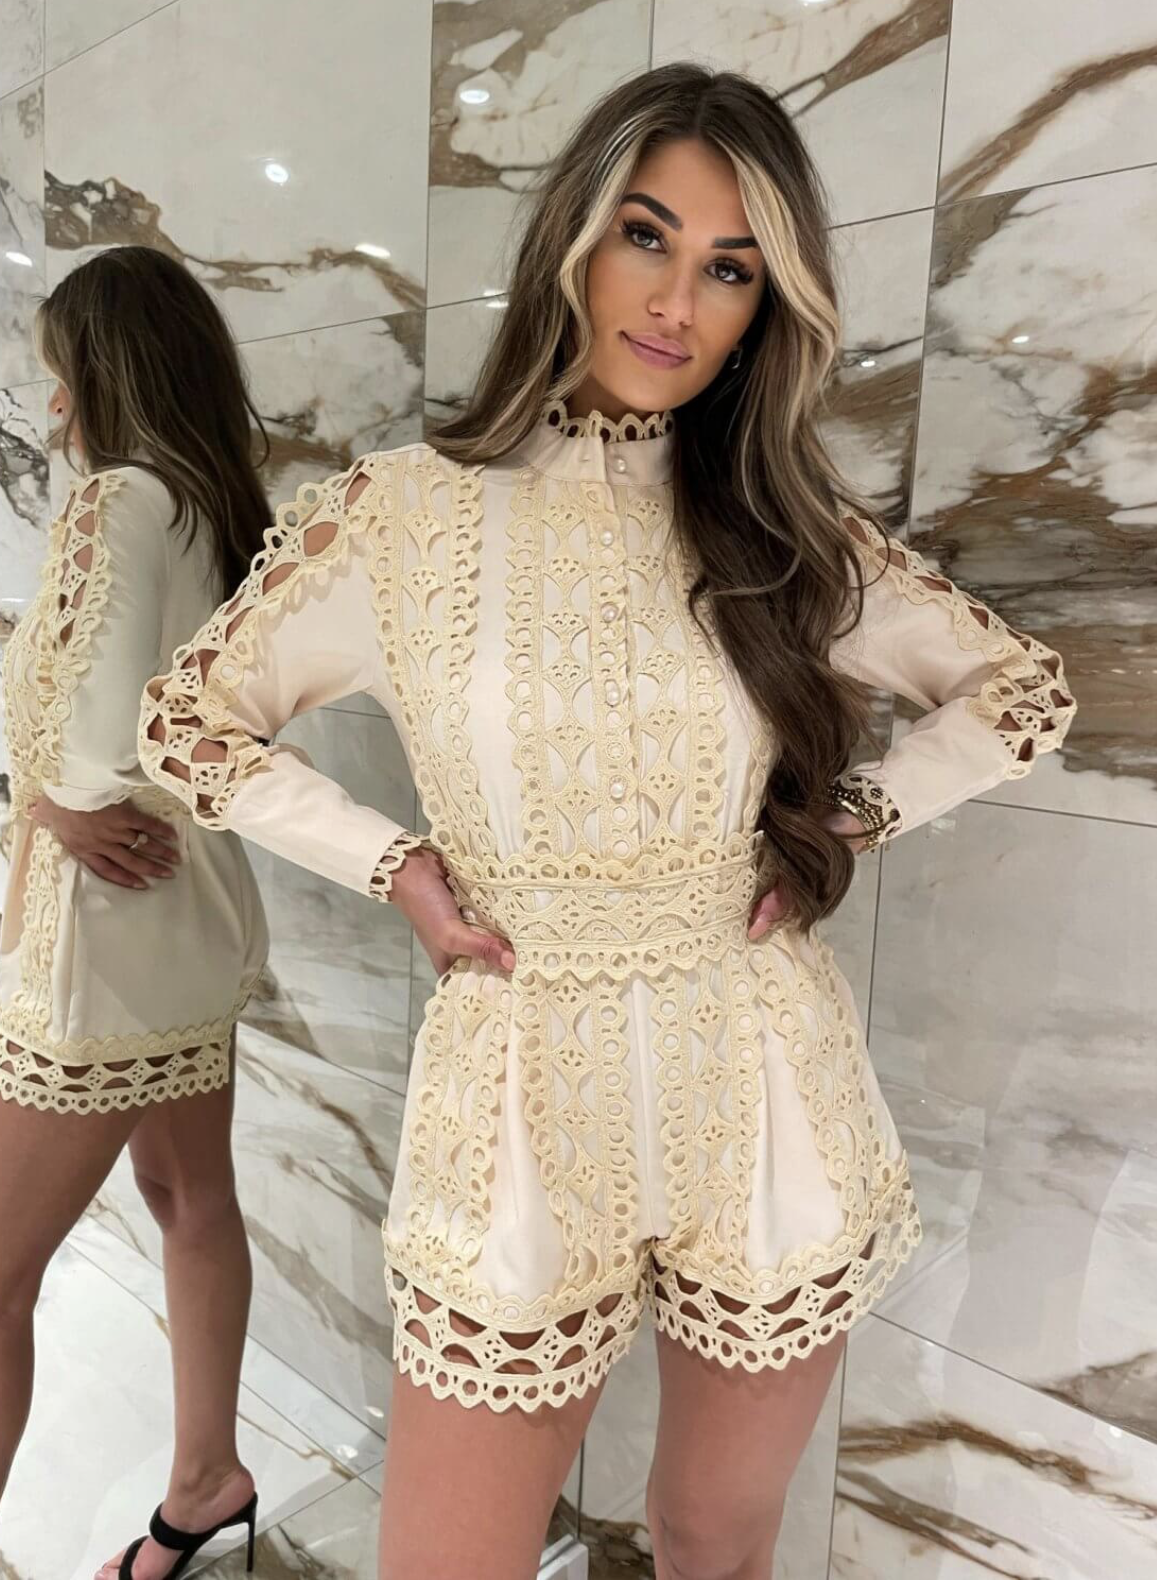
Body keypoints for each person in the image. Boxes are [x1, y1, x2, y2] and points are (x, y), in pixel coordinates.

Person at [138, 63, 1076, 1580]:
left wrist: (851, 820)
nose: (677, 303)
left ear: (766, 309)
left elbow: (1016, 690)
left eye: (732, 269)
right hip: (517, 1080)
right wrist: (396, 866)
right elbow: (192, 724)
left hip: (759, 1073)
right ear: (573, 237)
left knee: (713, 1536)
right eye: (648, 236)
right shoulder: (404, 513)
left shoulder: (780, 524)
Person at [0, 247, 272, 1579]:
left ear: (105, 373)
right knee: (189, 1193)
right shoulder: (214, 505)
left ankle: (207, 1480)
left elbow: (100, 739)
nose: (52, 407)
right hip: (188, 918)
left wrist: (53, 807)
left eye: (60, 376)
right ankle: (207, 1478)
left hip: (103, 935)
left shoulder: (118, 497)